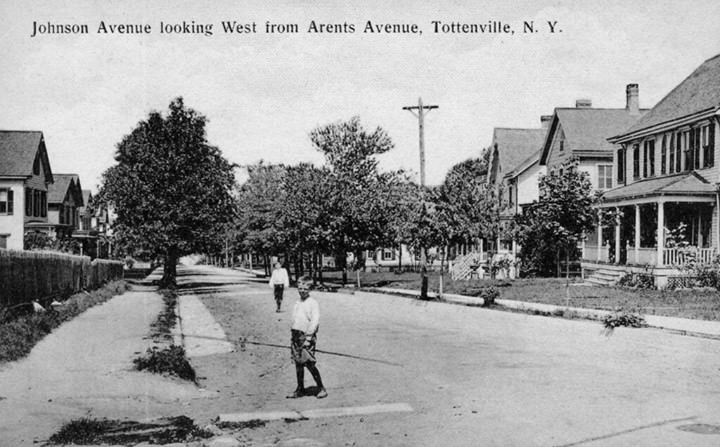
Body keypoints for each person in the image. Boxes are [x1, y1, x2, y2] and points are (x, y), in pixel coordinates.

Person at [287, 277, 327, 399]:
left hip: (306, 336)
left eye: (305, 289)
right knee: (298, 364)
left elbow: (315, 321)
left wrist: (309, 337)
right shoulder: (298, 302)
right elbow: (295, 318)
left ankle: (321, 387)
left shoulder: (312, 303)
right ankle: (300, 389)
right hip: (296, 335)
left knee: (309, 363)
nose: (302, 291)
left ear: (310, 289)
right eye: (300, 288)